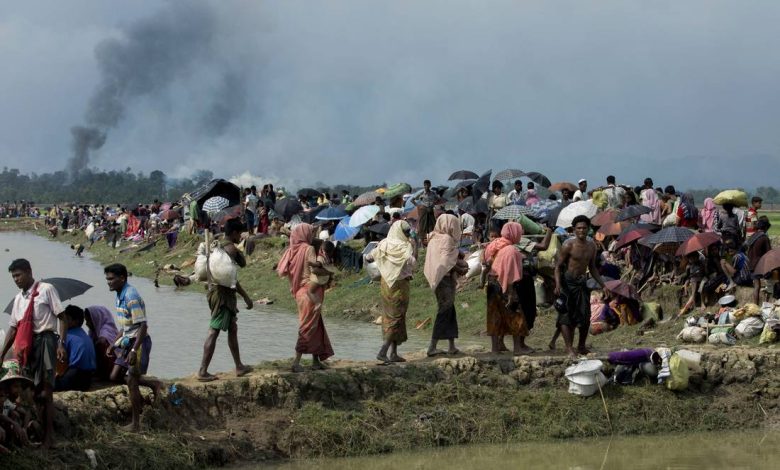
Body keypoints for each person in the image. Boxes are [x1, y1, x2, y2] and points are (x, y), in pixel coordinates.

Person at [0, 259, 66, 449]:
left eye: (18, 275)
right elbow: (13, 329)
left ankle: (49, 439)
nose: (16, 279)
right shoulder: (19, 299)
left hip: (45, 340)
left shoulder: (46, 289)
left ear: (29, 272)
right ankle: (42, 433)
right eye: (13, 276)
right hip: (28, 345)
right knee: (34, 391)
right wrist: (3, 354)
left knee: (46, 390)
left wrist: (61, 344)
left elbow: (62, 318)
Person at [105, 263, 162, 432]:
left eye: (111, 279)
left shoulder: (131, 296)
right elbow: (125, 326)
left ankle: (136, 424)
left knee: (131, 380)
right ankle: (153, 383)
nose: (108, 282)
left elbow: (142, 326)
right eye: (107, 279)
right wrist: (113, 343)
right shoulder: (119, 294)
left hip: (139, 341)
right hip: (128, 339)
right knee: (115, 376)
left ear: (122, 278)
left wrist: (132, 351)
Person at [197, 219, 254, 381]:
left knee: (232, 328)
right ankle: (202, 371)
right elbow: (236, 274)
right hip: (223, 296)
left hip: (216, 292)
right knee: (214, 331)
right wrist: (247, 298)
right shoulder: (231, 249)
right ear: (235, 233)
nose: (240, 236)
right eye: (240, 233)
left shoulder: (218, 245)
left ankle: (239, 366)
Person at [277, 224, 334, 372]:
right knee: (307, 327)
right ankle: (296, 362)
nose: (312, 235)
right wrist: (329, 271)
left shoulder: (291, 250)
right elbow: (314, 269)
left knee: (316, 325)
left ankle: (316, 361)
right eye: (310, 232)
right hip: (311, 292)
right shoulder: (308, 249)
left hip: (300, 293)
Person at [554, 216, 607, 358]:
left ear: (588, 229)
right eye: (578, 228)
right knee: (566, 316)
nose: (581, 230)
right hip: (567, 283)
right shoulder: (568, 245)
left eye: (584, 228)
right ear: (574, 230)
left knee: (585, 316)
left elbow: (593, 268)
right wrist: (558, 284)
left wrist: (603, 285)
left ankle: (581, 346)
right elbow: (558, 267)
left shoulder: (592, 246)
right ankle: (569, 348)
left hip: (582, 283)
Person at [367, 220, 417, 363]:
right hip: (400, 285)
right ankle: (383, 351)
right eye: (407, 232)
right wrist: (416, 246)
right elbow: (413, 263)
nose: (408, 235)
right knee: (397, 318)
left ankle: (394, 353)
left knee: (392, 317)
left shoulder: (384, 244)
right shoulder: (406, 246)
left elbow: (368, 256)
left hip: (386, 284)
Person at [483, 222, 531, 355]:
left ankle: (494, 349)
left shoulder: (494, 244)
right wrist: (510, 293)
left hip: (492, 282)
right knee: (515, 314)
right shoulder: (512, 250)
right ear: (515, 233)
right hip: (503, 284)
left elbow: (485, 261)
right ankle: (517, 348)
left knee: (494, 315)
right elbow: (509, 274)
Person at [423, 215, 468, 357]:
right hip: (444, 279)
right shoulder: (446, 239)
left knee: (450, 310)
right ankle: (432, 346)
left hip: (437, 278)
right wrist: (460, 270)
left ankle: (451, 346)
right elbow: (447, 260)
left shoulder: (433, 238)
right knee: (444, 311)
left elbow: (444, 258)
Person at [55, 306, 96, 392]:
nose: (64, 322)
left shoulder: (67, 336)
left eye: (67, 319)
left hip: (74, 377)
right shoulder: (84, 334)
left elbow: (60, 361)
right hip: (88, 380)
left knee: (47, 385)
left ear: (76, 321)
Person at [84, 305, 119, 381]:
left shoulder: (106, 330)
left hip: (112, 365)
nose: (86, 324)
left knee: (100, 345)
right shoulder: (93, 332)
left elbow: (102, 341)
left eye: (89, 321)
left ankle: (102, 375)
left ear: (96, 319)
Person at [746, 217, 772, 304]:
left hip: (751, 264)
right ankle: (770, 301)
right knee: (771, 281)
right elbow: (769, 254)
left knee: (756, 286)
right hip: (759, 265)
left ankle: (755, 306)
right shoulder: (764, 238)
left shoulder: (753, 236)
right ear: (765, 227)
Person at [307, 240, 337, 310]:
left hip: (318, 280)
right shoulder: (330, 259)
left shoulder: (321, 257)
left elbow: (318, 264)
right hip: (325, 279)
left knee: (310, 291)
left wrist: (311, 264)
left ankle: (317, 303)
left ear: (323, 250)